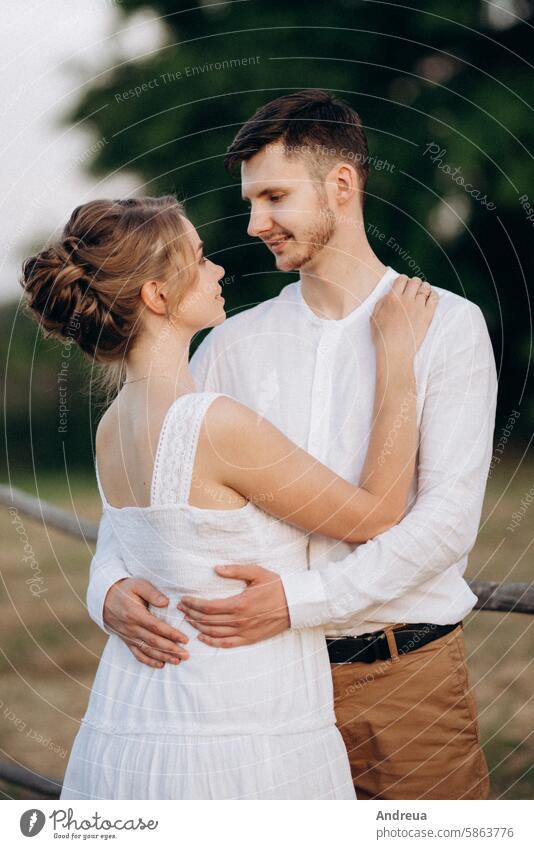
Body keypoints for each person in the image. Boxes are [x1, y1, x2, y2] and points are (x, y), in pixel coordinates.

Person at [88, 90, 498, 800]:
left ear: (341, 185)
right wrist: (107, 589)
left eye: (274, 196)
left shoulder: (447, 326)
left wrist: (299, 601)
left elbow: (444, 525)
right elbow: (159, 496)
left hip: (401, 680)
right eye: (250, 201)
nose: (255, 223)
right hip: (255, 688)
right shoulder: (229, 345)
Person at [21, 195, 436, 799]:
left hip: (137, 716)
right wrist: (398, 364)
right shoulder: (214, 424)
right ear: (157, 296)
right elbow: (374, 515)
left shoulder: (113, 425)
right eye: (200, 257)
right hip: (238, 726)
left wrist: (104, 587)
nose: (218, 270)